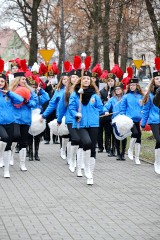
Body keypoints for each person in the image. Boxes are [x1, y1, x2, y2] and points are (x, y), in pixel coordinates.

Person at [68, 70, 103, 185]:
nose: (86, 80)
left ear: (91, 81)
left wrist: (102, 110)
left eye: (88, 79)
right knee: (86, 142)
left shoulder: (94, 95)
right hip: (80, 123)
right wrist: (76, 114)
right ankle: (81, 167)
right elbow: (71, 107)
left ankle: (90, 174)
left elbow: (100, 107)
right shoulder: (75, 94)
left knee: (92, 147)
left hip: (93, 124)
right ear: (81, 81)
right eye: (84, 79)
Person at [41, 62, 70, 159]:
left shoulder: (75, 90)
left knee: (72, 136)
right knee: (64, 134)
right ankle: (63, 149)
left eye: (68, 79)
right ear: (61, 80)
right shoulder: (58, 91)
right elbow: (52, 104)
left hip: (72, 116)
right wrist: (44, 115)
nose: (66, 80)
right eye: (64, 79)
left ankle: (70, 155)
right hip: (61, 115)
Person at [10, 72, 38, 171]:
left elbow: (35, 103)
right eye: (22, 79)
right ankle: (11, 155)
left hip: (25, 119)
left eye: (25, 79)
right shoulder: (11, 90)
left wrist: (27, 101)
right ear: (17, 80)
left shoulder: (30, 91)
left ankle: (22, 163)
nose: (24, 81)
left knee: (24, 142)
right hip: (14, 118)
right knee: (15, 136)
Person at [57, 68, 82, 175]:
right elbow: (61, 107)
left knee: (79, 140)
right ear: (70, 79)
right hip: (70, 118)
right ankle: (72, 160)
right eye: (73, 77)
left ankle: (77, 159)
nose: (75, 79)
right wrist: (59, 119)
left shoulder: (82, 90)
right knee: (75, 138)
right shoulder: (66, 91)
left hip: (82, 118)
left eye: (77, 77)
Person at [0, 68, 24, 178]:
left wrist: (9, 93)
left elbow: (20, 100)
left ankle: (6, 170)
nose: (0, 83)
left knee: (8, 146)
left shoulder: (9, 95)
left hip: (9, 122)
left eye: (2, 81)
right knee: (4, 138)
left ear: (5, 83)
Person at [26, 72, 49, 161]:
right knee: (29, 136)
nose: (33, 89)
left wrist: (41, 90)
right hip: (29, 116)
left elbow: (47, 97)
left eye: (35, 87)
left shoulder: (39, 97)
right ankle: (30, 153)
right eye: (32, 87)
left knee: (37, 137)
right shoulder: (27, 95)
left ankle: (36, 154)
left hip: (38, 118)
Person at [120, 78, 144, 164]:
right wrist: (123, 118)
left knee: (139, 138)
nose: (131, 87)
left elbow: (143, 107)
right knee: (135, 133)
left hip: (139, 119)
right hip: (129, 119)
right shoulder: (126, 96)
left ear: (137, 86)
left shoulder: (141, 96)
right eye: (130, 85)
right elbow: (122, 108)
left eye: (133, 85)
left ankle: (137, 157)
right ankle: (130, 149)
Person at [141, 67, 160, 173]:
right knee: (159, 140)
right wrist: (143, 124)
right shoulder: (150, 94)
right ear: (154, 80)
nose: (159, 80)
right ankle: (157, 162)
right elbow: (146, 110)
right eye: (157, 78)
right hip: (154, 120)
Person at [103, 82, 127, 160]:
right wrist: (106, 111)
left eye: (119, 89)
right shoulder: (112, 99)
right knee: (116, 136)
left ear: (122, 90)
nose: (117, 90)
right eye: (116, 89)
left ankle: (123, 153)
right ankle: (118, 154)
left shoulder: (125, 97)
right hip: (115, 120)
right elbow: (106, 107)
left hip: (124, 119)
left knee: (123, 136)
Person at [98, 72, 116, 156]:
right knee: (102, 132)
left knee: (109, 132)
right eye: (109, 81)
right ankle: (102, 147)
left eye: (112, 81)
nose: (110, 82)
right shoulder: (102, 91)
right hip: (104, 115)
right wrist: (106, 101)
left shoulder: (116, 90)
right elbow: (100, 101)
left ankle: (110, 148)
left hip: (112, 114)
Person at [42, 62, 59, 144]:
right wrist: (47, 85)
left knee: (55, 122)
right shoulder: (45, 85)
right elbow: (42, 92)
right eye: (49, 77)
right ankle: (47, 138)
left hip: (55, 106)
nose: (51, 78)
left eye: (52, 77)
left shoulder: (57, 85)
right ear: (47, 77)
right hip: (47, 106)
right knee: (47, 122)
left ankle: (55, 138)